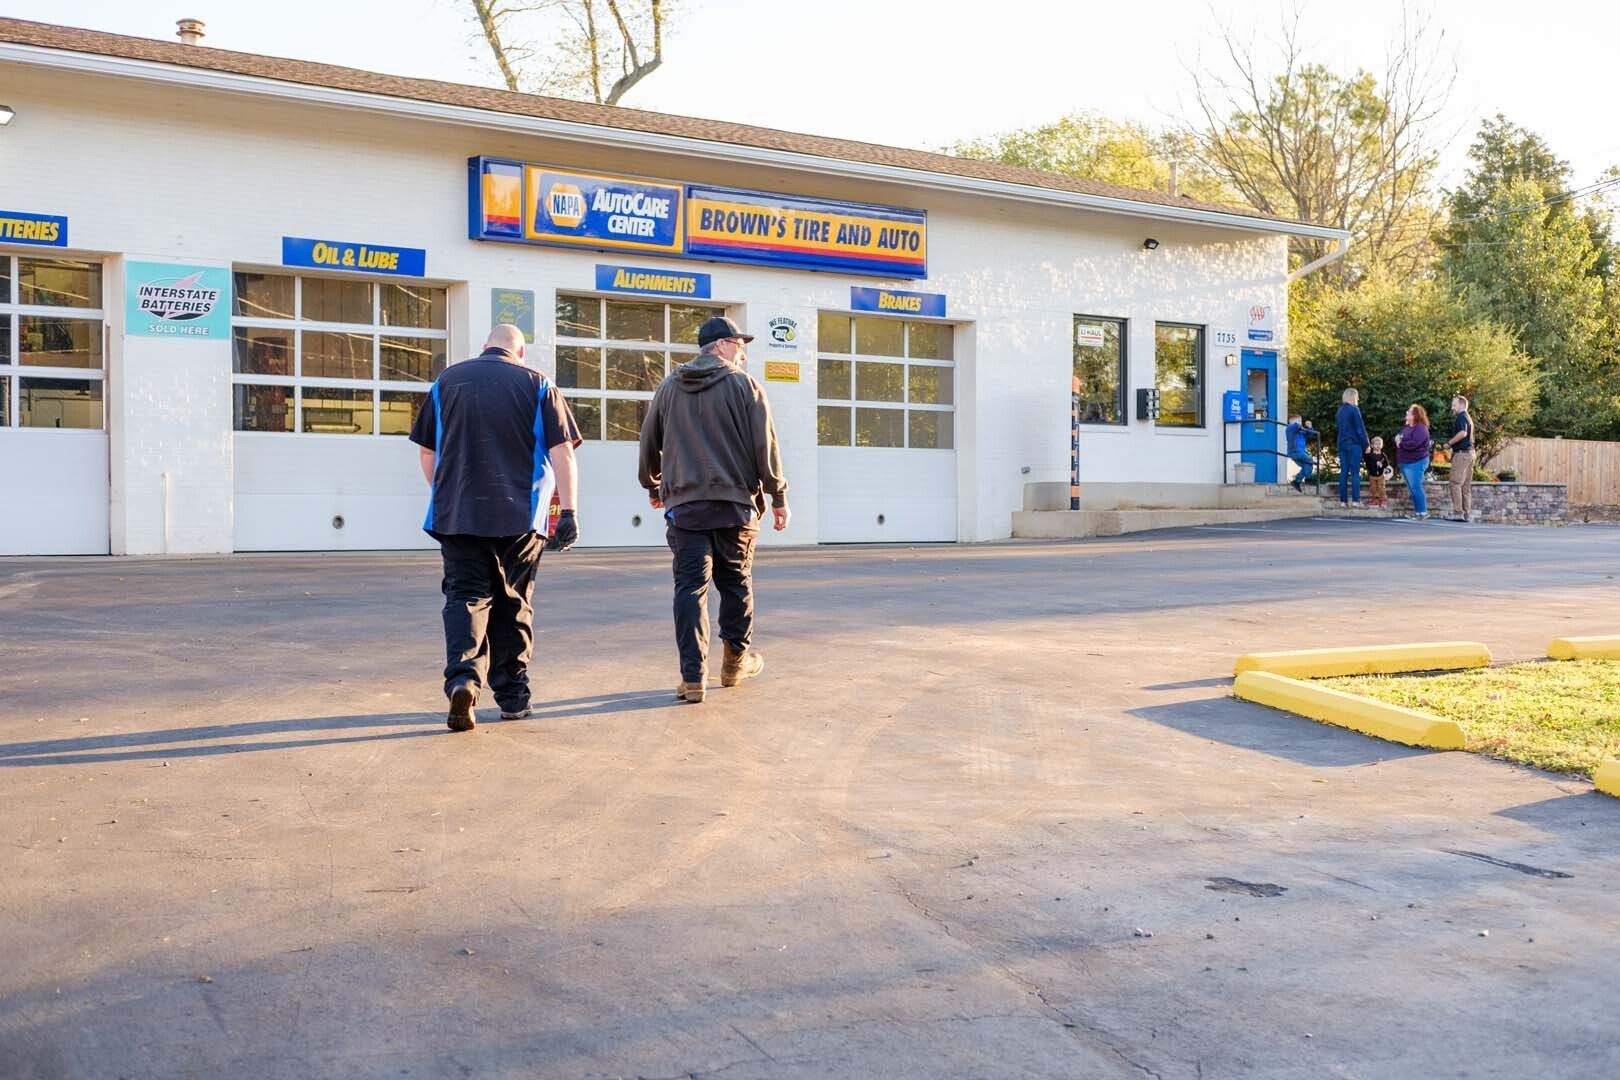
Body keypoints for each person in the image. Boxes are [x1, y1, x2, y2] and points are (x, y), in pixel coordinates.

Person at [411, 324, 582, 732]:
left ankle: (463, 682)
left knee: (465, 598)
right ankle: (512, 698)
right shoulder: (539, 385)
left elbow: (426, 453)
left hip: (457, 516)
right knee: (514, 604)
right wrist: (569, 511)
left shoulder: (446, 382)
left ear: (485, 346)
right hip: (519, 518)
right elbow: (562, 452)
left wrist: (447, 493)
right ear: (519, 352)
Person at [639, 316, 789, 704]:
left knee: (689, 588)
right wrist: (778, 496)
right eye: (740, 344)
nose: (743, 352)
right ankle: (734, 663)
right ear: (721, 345)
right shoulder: (745, 385)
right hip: (734, 507)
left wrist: (652, 484)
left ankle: (693, 678)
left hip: (686, 507)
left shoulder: (670, 386)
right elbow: (765, 446)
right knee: (735, 584)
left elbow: (648, 439)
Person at [1394, 403, 1433, 520]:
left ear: (1415, 415)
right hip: (1405, 462)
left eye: (1409, 412)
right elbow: (1398, 437)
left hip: (1416, 462)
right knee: (1413, 488)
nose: (1406, 413)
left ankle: (1422, 512)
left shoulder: (1421, 428)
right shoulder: (1407, 427)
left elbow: (1414, 444)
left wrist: (1400, 442)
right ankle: (1418, 512)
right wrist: (1397, 439)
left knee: (1416, 487)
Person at [1335, 388, 1370, 507]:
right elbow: (1360, 428)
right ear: (1353, 397)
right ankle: (1355, 500)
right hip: (1354, 444)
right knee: (1355, 472)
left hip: (1341, 443)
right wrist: (1366, 444)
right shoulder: (1354, 410)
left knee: (1344, 472)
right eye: (1357, 396)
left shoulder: (1339, 411)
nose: (1358, 399)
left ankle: (1343, 501)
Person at [1444, 394, 1476, 522]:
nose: (1452, 407)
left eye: (1454, 405)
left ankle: (1458, 513)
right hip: (1470, 453)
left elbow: (1462, 433)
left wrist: (1449, 443)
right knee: (1465, 486)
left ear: (1462, 405)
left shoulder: (1461, 417)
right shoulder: (1468, 417)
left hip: (1462, 454)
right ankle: (1466, 513)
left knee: (1455, 483)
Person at [1284, 414, 1317, 491]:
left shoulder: (1300, 432)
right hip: (1294, 451)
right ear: (1292, 422)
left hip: (1300, 452)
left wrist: (1309, 427)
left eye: (1300, 421)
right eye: (1299, 421)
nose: (1300, 423)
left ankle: (1297, 481)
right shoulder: (1290, 428)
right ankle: (1308, 479)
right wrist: (1297, 424)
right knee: (1310, 460)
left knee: (1308, 465)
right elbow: (1295, 426)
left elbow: (1310, 434)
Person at [1364, 437, 1391, 509]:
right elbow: (1367, 463)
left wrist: (1382, 465)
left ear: (1382, 445)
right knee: (1373, 488)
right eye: (1376, 444)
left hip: (1381, 475)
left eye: (1380, 444)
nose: (1378, 445)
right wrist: (1374, 462)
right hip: (1372, 475)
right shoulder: (1370, 455)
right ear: (1372, 445)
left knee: (1381, 488)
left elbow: (1387, 465)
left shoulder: (1383, 455)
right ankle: (1375, 501)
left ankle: (1383, 500)